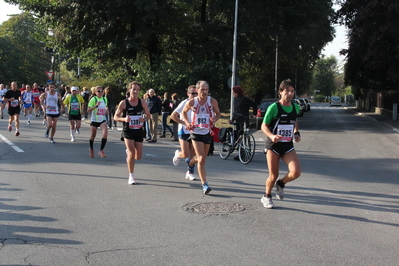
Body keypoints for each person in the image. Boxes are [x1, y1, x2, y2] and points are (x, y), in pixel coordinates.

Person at [260, 79, 301, 209]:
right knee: (273, 175)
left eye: (292, 91)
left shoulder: (296, 107)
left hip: (287, 145)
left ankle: (281, 184)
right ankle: (266, 196)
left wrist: (296, 132)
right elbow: (263, 126)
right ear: (281, 92)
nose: (290, 94)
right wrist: (272, 136)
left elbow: (294, 120)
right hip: (274, 146)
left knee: (296, 172)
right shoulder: (274, 108)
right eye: (287, 91)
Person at [181, 80, 221, 194]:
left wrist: (215, 119)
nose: (204, 92)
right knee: (202, 158)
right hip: (195, 132)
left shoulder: (212, 101)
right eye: (202, 90)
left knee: (202, 159)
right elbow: (183, 113)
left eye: (206, 90)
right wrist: (187, 123)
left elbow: (218, 113)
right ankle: (204, 184)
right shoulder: (192, 102)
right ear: (197, 90)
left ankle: (191, 162)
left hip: (207, 132)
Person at [114, 81, 151, 184]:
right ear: (129, 89)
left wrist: (144, 119)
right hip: (128, 131)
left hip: (138, 130)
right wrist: (124, 119)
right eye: (134, 89)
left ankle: (130, 154)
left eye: (137, 90)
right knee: (131, 153)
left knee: (138, 157)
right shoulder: (124, 103)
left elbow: (148, 115)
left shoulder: (142, 102)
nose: (135, 91)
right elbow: (115, 117)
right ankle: (131, 176)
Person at [171, 85, 198, 181]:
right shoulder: (184, 103)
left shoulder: (200, 103)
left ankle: (189, 172)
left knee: (194, 154)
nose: (195, 95)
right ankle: (178, 154)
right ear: (188, 94)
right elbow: (173, 116)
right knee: (186, 154)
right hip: (184, 130)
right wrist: (185, 123)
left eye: (196, 93)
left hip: (195, 131)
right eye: (193, 93)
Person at [230, 85, 258, 160]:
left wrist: (254, 114)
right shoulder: (235, 100)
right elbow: (235, 111)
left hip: (244, 120)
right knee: (239, 136)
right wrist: (232, 119)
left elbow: (254, 105)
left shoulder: (244, 99)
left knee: (246, 136)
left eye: (233, 92)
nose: (233, 94)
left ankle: (246, 153)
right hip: (238, 120)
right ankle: (240, 154)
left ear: (237, 93)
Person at [87, 86, 109, 158]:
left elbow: (106, 107)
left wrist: (107, 111)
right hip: (94, 120)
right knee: (93, 136)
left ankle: (101, 150)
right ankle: (91, 149)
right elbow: (88, 110)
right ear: (95, 92)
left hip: (102, 119)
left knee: (105, 134)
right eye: (98, 91)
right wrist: (96, 106)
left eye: (101, 91)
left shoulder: (105, 99)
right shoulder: (93, 99)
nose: (100, 93)